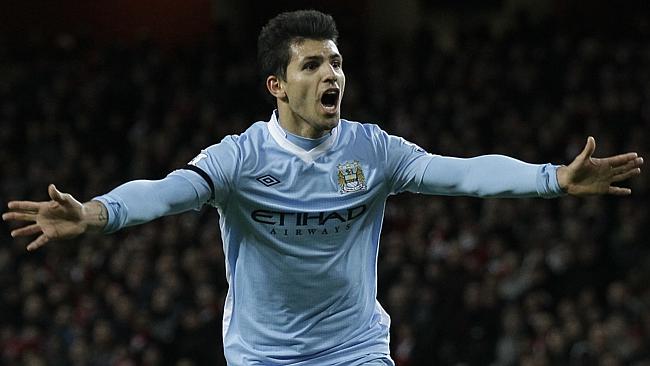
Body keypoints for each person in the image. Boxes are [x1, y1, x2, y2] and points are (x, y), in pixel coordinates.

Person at [3, 10, 644, 366]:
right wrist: (98, 213)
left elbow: (465, 172)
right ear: (278, 86)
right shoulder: (240, 158)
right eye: (312, 64)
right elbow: (170, 191)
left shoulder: (375, 151)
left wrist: (551, 179)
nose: (331, 72)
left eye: (335, 60)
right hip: (262, 357)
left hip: (354, 348)